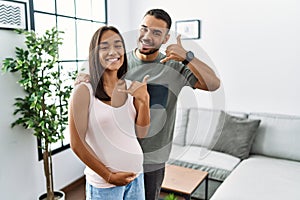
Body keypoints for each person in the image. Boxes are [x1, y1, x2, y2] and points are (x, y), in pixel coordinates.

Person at [76, 9, 220, 200]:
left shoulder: (174, 67)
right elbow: (95, 82)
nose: (147, 37)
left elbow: (213, 84)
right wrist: (86, 76)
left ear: (166, 38)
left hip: (152, 159)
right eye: (144, 29)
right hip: (115, 156)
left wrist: (187, 56)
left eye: (156, 33)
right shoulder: (120, 63)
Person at [68, 25, 150, 200]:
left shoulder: (130, 87)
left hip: (136, 177)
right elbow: (76, 144)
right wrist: (109, 176)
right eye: (104, 47)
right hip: (104, 186)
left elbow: (141, 133)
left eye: (118, 45)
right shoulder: (84, 91)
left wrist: (144, 101)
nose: (113, 51)